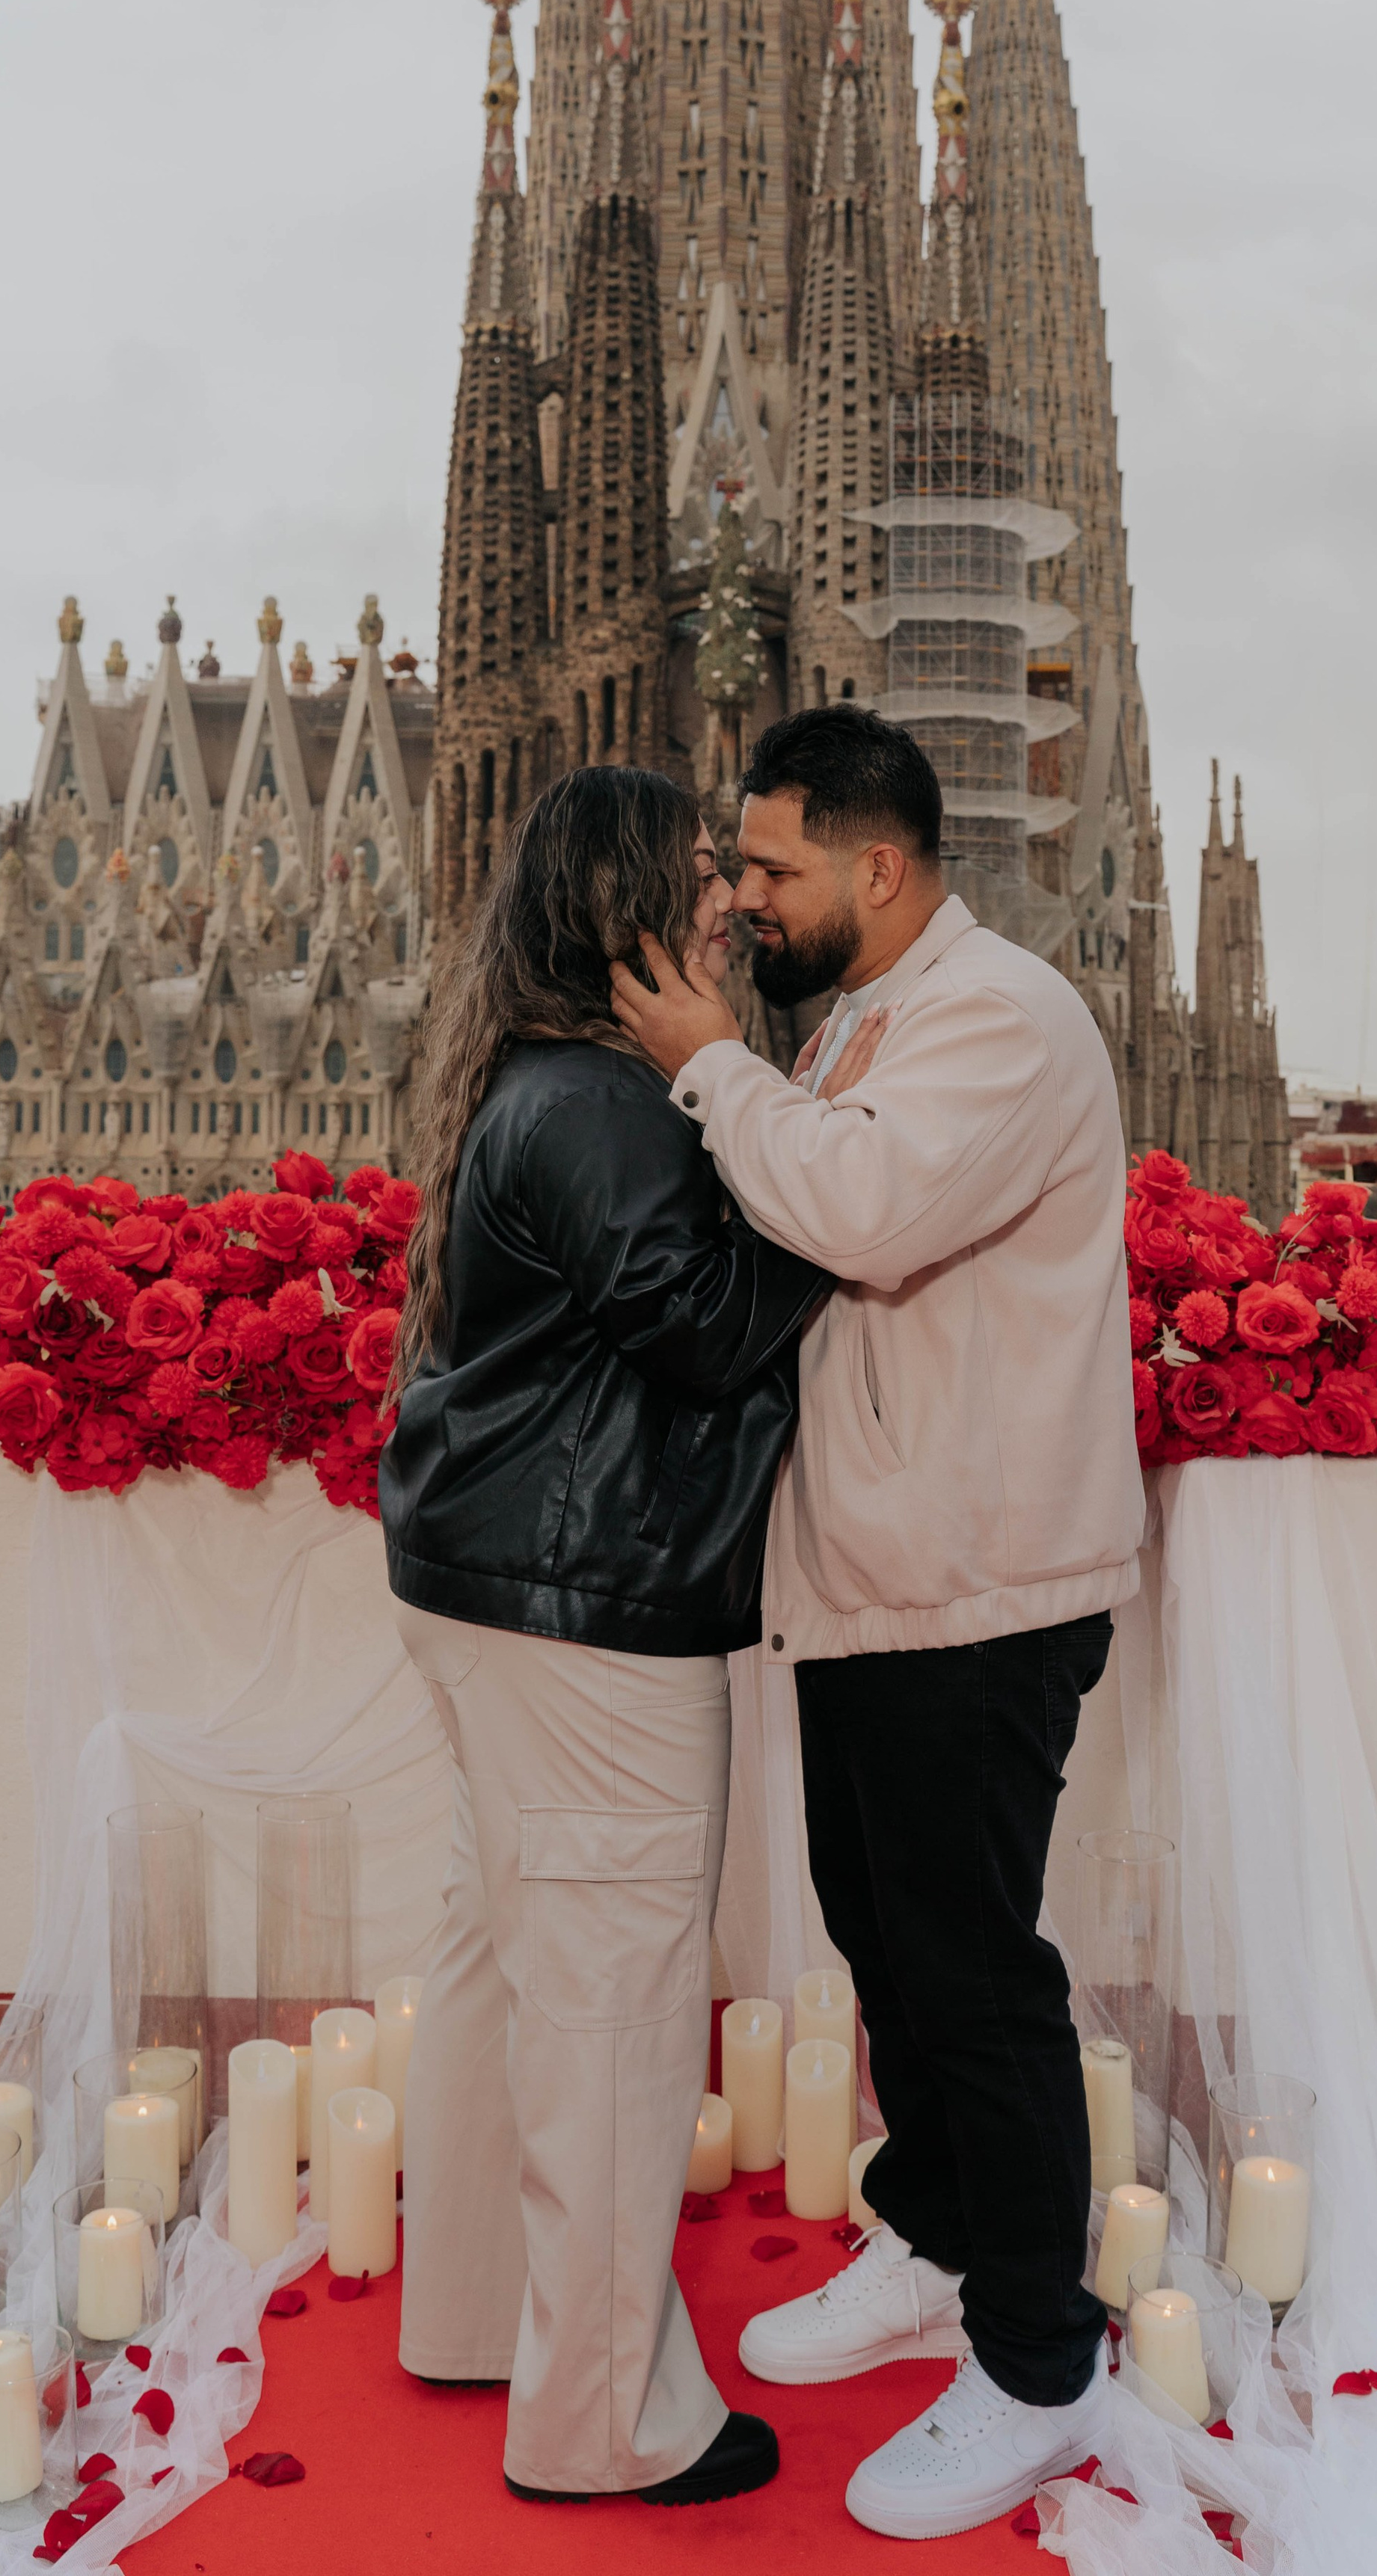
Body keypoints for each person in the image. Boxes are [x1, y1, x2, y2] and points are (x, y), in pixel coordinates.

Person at [610, 708, 1146, 2542]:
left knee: (968, 1963)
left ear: (879, 866)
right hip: (880, 1576)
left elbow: (861, 1208)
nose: (743, 899)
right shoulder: (862, 1018)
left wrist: (697, 1065)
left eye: (766, 868)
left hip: (976, 1585)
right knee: (884, 1935)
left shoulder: (995, 1017)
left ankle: (1033, 2361)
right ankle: (929, 2238)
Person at [381, 766, 876, 2509]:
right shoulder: (600, 1101)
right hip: (588, 1604)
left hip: (500, 1585)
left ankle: (471, 2318)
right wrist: (837, 1181)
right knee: (607, 2004)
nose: (730, 906)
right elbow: (715, 1325)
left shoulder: (537, 1080)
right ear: (624, 915)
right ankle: (604, 2419)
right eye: (694, 878)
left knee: (503, 1966)